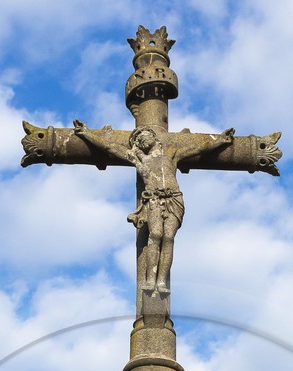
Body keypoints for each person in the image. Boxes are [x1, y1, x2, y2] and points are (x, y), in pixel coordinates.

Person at [72, 121, 235, 298]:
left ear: (153, 136)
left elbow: (198, 149)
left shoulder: (171, 155)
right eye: (137, 140)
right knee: (156, 234)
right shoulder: (138, 158)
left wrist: (220, 140)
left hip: (174, 199)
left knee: (169, 237)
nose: (140, 140)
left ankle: (162, 281)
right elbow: (110, 147)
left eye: (142, 136)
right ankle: (151, 280)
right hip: (154, 200)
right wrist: (87, 133)